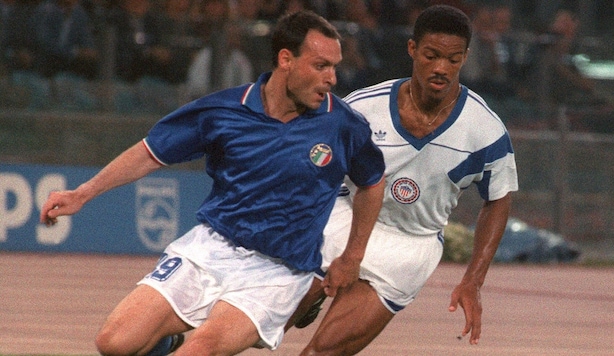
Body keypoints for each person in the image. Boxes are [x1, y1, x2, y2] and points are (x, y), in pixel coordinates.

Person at [39, 10, 385, 355]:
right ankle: (164, 341)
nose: (332, 78)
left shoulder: (343, 125)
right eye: (321, 65)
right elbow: (150, 152)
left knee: (199, 350)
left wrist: (352, 256)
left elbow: (372, 182)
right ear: (286, 60)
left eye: (334, 67)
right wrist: (82, 193)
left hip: (278, 271)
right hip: (211, 247)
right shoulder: (224, 110)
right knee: (114, 344)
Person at [290, 5, 518, 354]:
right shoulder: (364, 107)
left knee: (323, 351)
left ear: (465, 58)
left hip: (409, 245)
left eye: (453, 60)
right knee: (265, 324)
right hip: (344, 218)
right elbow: (317, 160)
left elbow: (499, 199)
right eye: (431, 55)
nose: (441, 68)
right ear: (412, 49)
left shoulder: (484, 130)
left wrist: (473, 279)